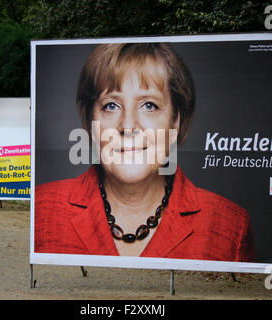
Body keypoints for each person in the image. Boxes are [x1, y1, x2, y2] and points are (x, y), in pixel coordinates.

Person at [35, 43, 255, 261]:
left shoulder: (231, 228)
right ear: (90, 120)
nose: (128, 126)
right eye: (111, 105)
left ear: (175, 120)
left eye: (149, 105)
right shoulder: (42, 210)